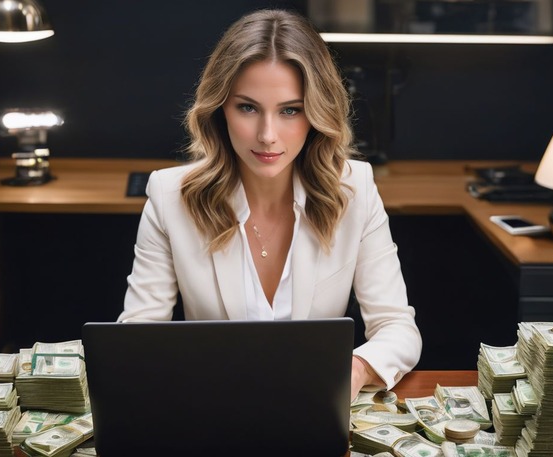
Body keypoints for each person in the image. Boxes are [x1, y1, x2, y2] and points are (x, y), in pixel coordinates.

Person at [118, 8, 421, 401]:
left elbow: (398, 327)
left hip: (314, 411)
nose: (267, 135)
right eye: (247, 107)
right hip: (211, 409)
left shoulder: (355, 188)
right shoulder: (169, 194)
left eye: (290, 110)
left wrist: (355, 369)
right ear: (219, 109)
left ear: (316, 113)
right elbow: (137, 335)